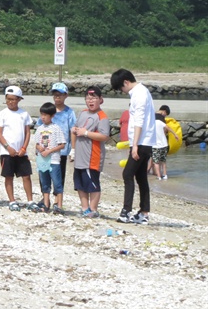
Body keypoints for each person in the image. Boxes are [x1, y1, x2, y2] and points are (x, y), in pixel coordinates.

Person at [111, 69, 156, 225]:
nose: (122, 92)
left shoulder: (139, 94)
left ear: (126, 82)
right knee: (141, 177)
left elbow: (139, 121)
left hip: (142, 142)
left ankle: (126, 211)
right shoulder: (142, 92)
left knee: (127, 174)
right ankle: (143, 213)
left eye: (120, 88)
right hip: (145, 141)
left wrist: (134, 145)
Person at [70, 87, 111, 218]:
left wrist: (86, 133)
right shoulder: (82, 113)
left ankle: (93, 209)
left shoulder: (102, 117)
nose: (90, 101)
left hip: (93, 156)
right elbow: (75, 130)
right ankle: (85, 208)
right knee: (79, 183)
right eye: (88, 98)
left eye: (93, 98)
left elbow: (105, 136)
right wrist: (73, 149)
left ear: (101, 100)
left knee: (92, 183)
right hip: (79, 155)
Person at [0, 86, 37, 211]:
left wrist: (24, 148)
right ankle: (12, 200)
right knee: (9, 176)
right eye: (8, 99)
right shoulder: (2, 114)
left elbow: (28, 132)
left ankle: (30, 200)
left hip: (21, 152)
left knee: (26, 176)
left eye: (13, 99)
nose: (11, 102)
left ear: (19, 99)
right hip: (7, 152)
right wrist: (8, 148)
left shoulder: (24, 114)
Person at [35, 82, 77, 193]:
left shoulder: (69, 112)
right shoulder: (47, 110)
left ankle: (57, 200)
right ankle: (45, 198)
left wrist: (73, 149)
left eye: (60, 94)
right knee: (43, 174)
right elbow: (39, 130)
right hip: (44, 150)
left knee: (58, 176)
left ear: (66, 95)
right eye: (55, 94)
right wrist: (37, 147)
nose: (57, 97)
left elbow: (72, 131)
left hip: (60, 151)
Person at [34, 102, 66, 214]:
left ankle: (59, 205)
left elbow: (62, 144)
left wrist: (49, 151)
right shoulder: (39, 128)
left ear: (52, 116)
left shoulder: (56, 128)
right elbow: (36, 143)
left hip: (54, 160)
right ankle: (46, 204)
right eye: (41, 114)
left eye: (45, 115)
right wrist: (40, 148)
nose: (43, 117)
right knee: (45, 182)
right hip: (42, 160)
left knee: (57, 183)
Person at [151, 113, 179, 180]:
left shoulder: (151, 123)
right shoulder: (160, 122)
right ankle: (165, 175)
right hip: (164, 145)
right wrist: (175, 134)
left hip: (156, 146)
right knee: (163, 161)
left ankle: (159, 176)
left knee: (156, 162)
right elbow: (168, 128)